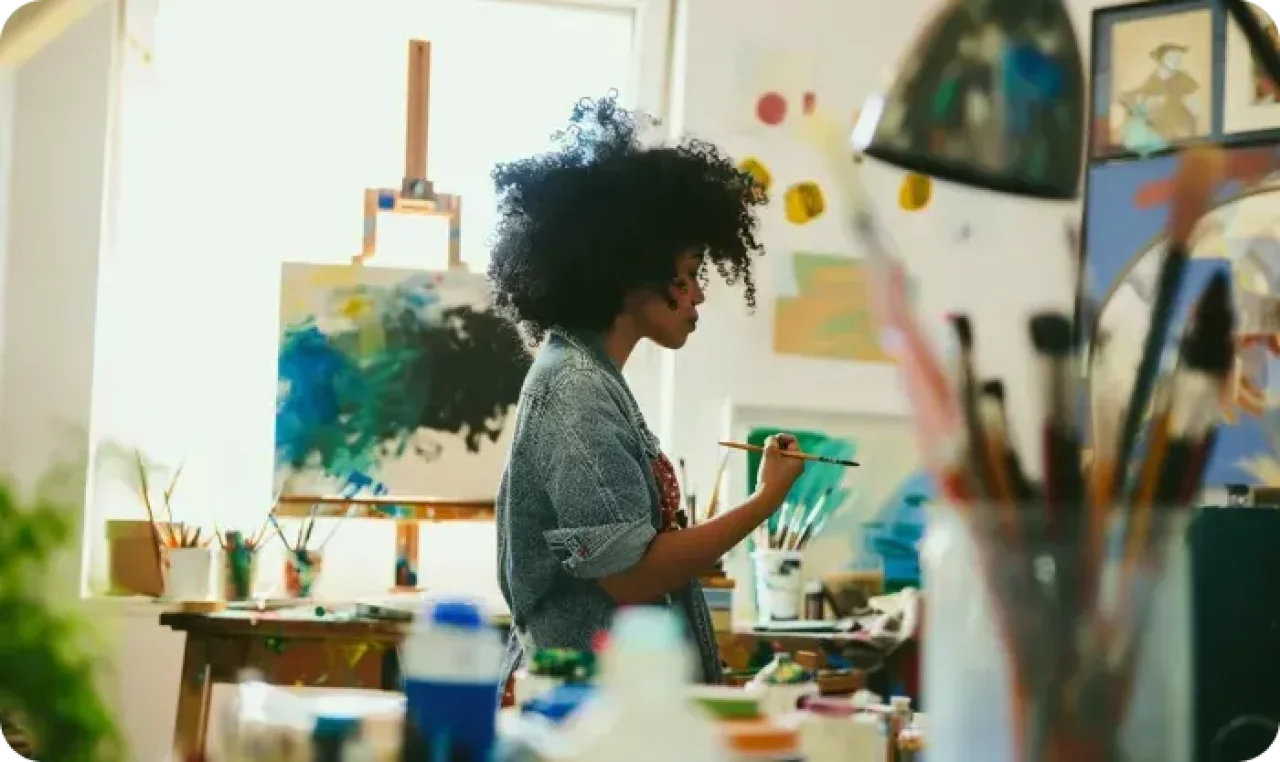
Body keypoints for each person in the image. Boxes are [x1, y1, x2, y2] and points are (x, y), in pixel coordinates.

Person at [487, 93, 807, 686]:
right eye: (686, 277)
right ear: (632, 274)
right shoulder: (575, 390)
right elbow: (632, 574)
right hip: (586, 711)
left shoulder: (593, 378)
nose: (699, 296)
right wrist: (765, 503)